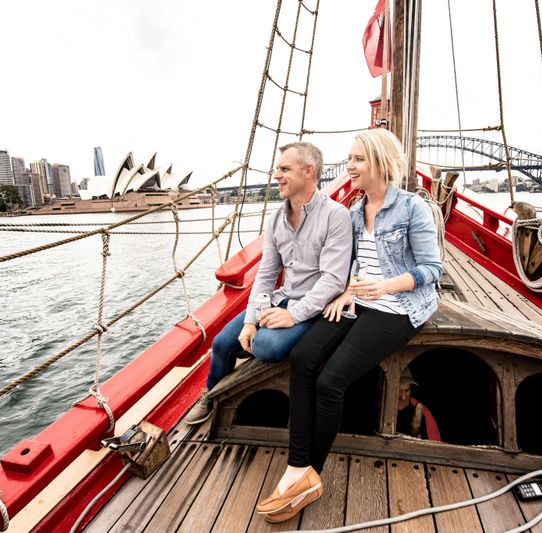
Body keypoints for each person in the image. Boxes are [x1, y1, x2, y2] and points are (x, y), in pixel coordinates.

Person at [255, 128, 443, 522]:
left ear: (378, 162)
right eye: (350, 159)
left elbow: (431, 269)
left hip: (399, 306)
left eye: (357, 159)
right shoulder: (356, 212)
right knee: (303, 358)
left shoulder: (412, 208)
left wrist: (384, 286)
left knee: (331, 381)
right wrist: (345, 292)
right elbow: (354, 265)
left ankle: (310, 475)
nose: (349, 167)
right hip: (360, 299)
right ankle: (295, 465)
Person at [184, 142, 352, 424]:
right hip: (281, 297)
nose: (276, 175)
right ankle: (212, 396)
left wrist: (293, 315)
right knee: (222, 343)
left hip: (312, 306)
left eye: (284, 169)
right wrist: (251, 319)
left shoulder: (336, 216)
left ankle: (257, 360)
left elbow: (333, 280)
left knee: (266, 347)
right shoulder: (276, 219)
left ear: (309, 171)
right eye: (277, 169)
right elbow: (265, 275)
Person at [396, 366, 441, 441]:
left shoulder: (422, 411)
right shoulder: (372, 407)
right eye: (398, 390)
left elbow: (436, 448)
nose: (403, 397)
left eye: (407, 390)